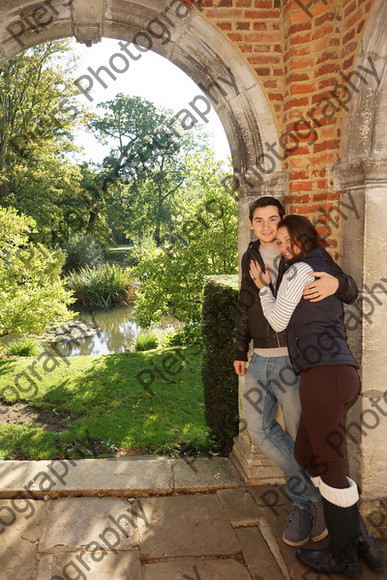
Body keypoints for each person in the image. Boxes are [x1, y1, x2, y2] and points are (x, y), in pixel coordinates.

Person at [250, 214, 385, 578]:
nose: (281, 247)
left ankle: (342, 559)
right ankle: (359, 540)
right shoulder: (320, 264)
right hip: (333, 375)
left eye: (285, 239)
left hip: (324, 377)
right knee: (305, 453)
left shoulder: (298, 270)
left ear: (302, 236)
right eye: (277, 242)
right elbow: (349, 288)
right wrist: (340, 282)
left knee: (333, 469)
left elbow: (278, 321)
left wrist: (264, 287)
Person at [234, 197, 358, 547]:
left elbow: (345, 285)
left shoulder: (304, 258)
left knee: (307, 438)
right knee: (259, 428)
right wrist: (238, 348)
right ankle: (311, 497)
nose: (268, 228)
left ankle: (309, 508)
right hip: (260, 357)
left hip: (295, 361)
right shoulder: (251, 257)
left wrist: (339, 285)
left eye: (274, 221)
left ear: (283, 222)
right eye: (260, 221)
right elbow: (245, 304)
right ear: (252, 225)